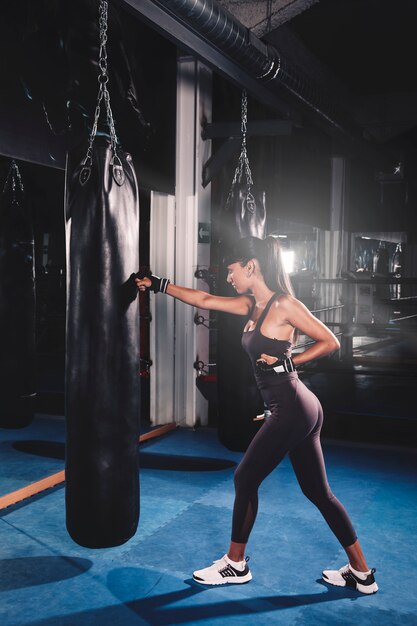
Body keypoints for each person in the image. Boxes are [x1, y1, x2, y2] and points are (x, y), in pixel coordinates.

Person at [135, 236, 378, 594]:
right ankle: (361, 573)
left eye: (232, 270)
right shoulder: (253, 306)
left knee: (245, 478)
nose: (228, 277)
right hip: (292, 407)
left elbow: (331, 341)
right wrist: (158, 284)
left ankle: (235, 564)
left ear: (251, 266)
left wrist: (288, 361)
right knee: (318, 492)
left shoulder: (284, 304)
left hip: (294, 407)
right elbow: (204, 300)